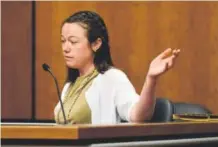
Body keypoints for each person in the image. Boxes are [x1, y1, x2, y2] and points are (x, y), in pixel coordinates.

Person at [54, 10, 180, 125]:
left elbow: (138, 116)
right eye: (63, 41)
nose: (66, 48)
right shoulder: (70, 84)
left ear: (96, 44)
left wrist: (151, 78)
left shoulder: (111, 78)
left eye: (73, 42)